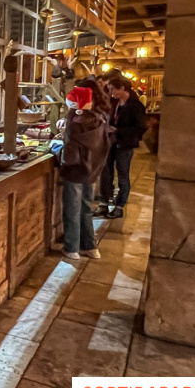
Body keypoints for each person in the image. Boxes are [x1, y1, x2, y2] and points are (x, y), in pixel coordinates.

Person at [60, 82, 111, 260]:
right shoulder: (99, 119)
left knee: (72, 210)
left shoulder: (75, 122)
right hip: (92, 170)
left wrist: (59, 150)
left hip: (75, 171)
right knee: (86, 209)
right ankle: (90, 247)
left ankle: (72, 248)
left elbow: (70, 151)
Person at [96, 76, 147, 219]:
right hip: (110, 142)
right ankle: (104, 203)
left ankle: (119, 206)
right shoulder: (114, 103)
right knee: (106, 173)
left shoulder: (135, 106)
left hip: (124, 144)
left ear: (123, 89)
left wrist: (118, 130)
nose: (111, 92)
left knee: (123, 174)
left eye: (113, 89)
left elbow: (140, 127)